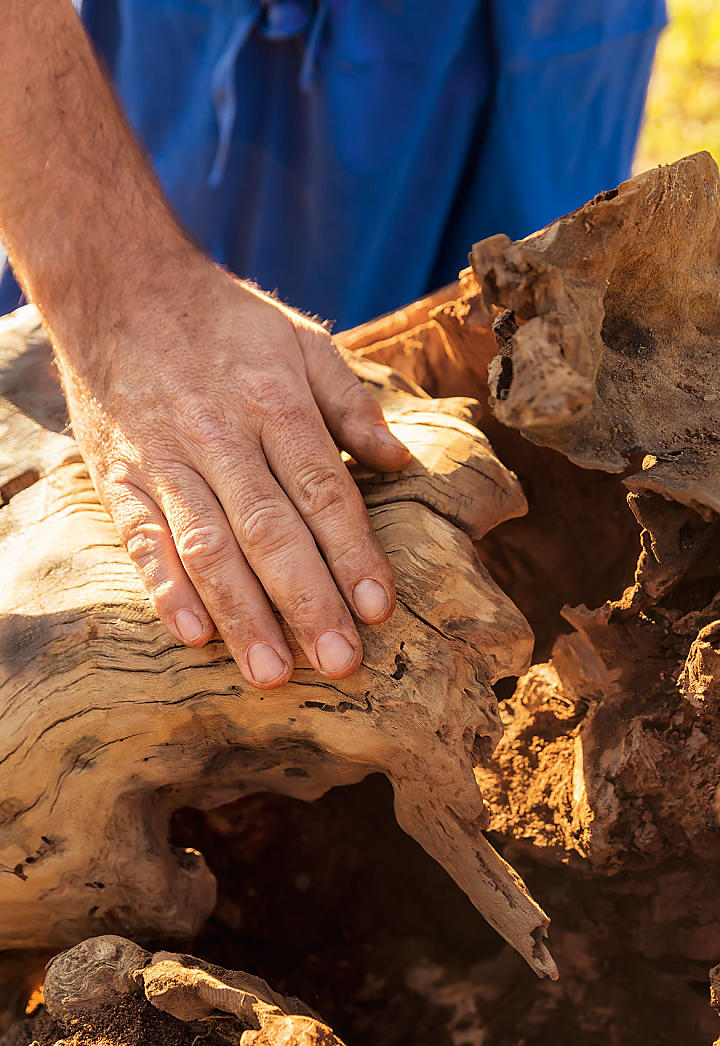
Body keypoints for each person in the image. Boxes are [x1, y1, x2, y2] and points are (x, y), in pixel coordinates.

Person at [0, 0, 665, 690]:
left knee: (546, 402)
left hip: (568, 41)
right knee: (215, 483)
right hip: (253, 52)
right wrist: (119, 293)